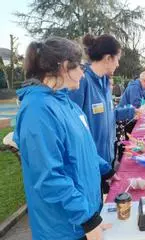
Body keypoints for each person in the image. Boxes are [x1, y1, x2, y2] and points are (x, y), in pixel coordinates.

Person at [13, 37, 114, 240]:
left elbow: (84, 149)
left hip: (83, 215)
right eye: (78, 68)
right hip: (64, 228)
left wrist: (107, 170)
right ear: (64, 67)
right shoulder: (37, 110)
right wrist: (87, 219)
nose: (82, 75)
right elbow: (48, 177)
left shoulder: (66, 103)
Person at [69, 34, 134, 173]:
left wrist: (132, 111)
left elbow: (109, 114)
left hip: (106, 159)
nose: (118, 64)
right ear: (108, 58)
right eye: (117, 59)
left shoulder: (104, 82)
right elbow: (72, 129)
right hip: (90, 163)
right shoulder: (81, 81)